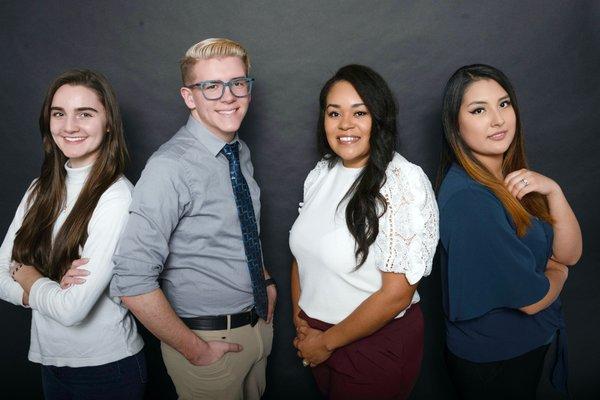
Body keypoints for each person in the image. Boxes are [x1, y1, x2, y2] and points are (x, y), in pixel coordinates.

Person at [109, 38, 276, 400]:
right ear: (189, 97)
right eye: (211, 86)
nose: (228, 96)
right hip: (207, 346)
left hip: (258, 331)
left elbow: (238, 229)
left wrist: (266, 281)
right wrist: (195, 350)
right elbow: (132, 279)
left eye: (237, 83)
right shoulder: (170, 166)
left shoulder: (238, 151)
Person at [289, 64, 439, 400]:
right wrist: (300, 319)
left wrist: (325, 342)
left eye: (360, 112)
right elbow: (302, 255)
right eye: (334, 113)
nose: (345, 125)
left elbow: (397, 294)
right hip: (316, 338)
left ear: (379, 119)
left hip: (375, 345)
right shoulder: (321, 173)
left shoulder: (403, 181)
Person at [437, 64, 582, 399]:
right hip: (495, 362)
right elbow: (532, 299)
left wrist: (554, 191)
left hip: (524, 348)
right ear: (455, 127)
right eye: (478, 110)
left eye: (504, 104)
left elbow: (570, 252)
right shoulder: (469, 199)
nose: (498, 119)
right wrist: (558, 273)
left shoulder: (515, 179)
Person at [0, 69, 146, 399]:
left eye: (85, 113)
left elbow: (72, 310)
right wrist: (40, 287)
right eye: (59, 113)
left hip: (107, 369)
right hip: (51, 362)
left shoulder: (117, 197)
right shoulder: (40, 189)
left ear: (108, 122)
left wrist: (26, 274)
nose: (69, 126)